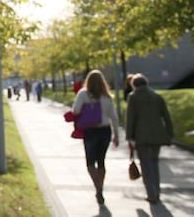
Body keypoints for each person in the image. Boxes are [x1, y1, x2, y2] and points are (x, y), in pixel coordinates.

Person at [72, 70, 120, 205]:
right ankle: (101, 187)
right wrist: (116, 135)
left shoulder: (83, 94)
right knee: (101, 161)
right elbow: (114, 117)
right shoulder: (107, 96)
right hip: (105, 130)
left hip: (90, 131)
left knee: (90, 162)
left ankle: (98, 187)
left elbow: (75, 110)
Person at [125, 74, 174, 205]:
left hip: (141, 136)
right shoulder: (156, 96)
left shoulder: (133, 97)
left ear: (134, 85)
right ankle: (157, 192)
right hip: (157, 135)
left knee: (146, 166)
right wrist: (170, 134)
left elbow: (130, 118)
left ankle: (151, 194)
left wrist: (129, 136)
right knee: (154, 164)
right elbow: (167, 116)